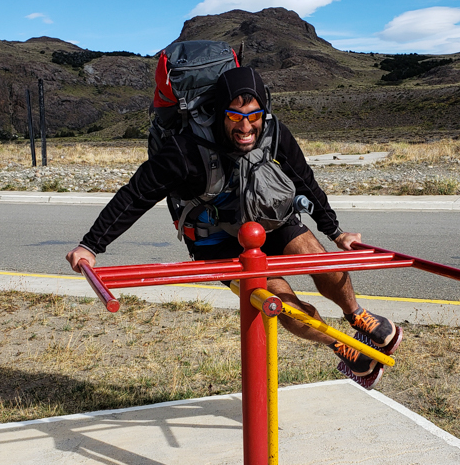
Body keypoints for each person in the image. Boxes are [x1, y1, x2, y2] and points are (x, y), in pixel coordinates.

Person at [67, 66, 402, 388]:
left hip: (269, 220)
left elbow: (304, 180)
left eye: (253, 116)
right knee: (281, 300)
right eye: (235, 117)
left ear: (264, 113)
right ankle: (341, 346)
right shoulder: (184, 151)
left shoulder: (274, 132)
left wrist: (335, 231)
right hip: (217, 242)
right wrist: (91, 245)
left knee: (319, 258)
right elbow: (135, 195)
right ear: (218, 112)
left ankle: (357, 316)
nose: (246, 128)